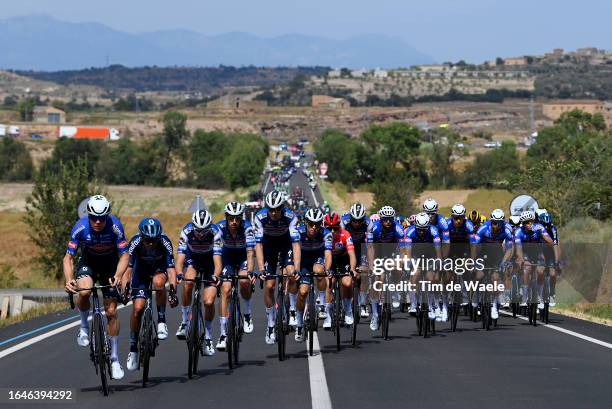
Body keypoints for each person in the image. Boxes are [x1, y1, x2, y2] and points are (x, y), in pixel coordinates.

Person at [64, 195, 129, 380]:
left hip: (109, 264)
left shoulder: (115, 226)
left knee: (111, 312)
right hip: (88, 262)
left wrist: (118, 275)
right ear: (88, 215)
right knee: (84, 291)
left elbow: (124, 256)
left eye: (102, 218)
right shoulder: (80, 227)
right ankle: (84, 327)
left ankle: (115, 358)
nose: (98, 222)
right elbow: (68, 257)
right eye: (94, 217)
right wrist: (69, 279)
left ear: (108, 215)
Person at [123, 218, 178, 371]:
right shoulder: (134, 242)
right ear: (142, 237)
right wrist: (125, 289)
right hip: (140, 274)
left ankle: (161, 321)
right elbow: (127, 270)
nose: (151, 244)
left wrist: (173, 291)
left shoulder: (165, 242)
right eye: (148, 240)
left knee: (159, 283)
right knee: (138, 309)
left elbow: (172, 270)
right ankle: (133, 349)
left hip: (158, 271)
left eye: (154, 240)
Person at [254, 190, 301, 345]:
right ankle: (271, 324)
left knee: (291, 273)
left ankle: (293, 309)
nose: (274, 213)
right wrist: (261, 269)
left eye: (277, 209)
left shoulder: (290, 216)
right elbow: (258, 245)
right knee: (270, 285)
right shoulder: (260, 217)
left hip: (285, 245)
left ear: (282, 207)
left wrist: (297, 268)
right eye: (271, 209)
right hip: (268, 249)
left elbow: (295, 244)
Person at [175, 209, 223, 356]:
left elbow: (218, 262)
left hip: (210, 262)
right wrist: (179, 274)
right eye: (198, 231)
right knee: (188, 282)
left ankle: (208, 337)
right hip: (193, 259)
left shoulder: (216, 233)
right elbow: (180, 259)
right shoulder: (187, 231)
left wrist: (215, 276)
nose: (200, 235)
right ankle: (184, 321)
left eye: (204, 231)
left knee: (209, 302)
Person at [216, 202, 256, 351]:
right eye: (231, 218)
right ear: (226, 217)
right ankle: (223, 334)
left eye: (237, 218)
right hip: (227, 257)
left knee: (244, 281)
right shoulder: (219, 228)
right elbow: (216, 252)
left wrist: (251, 271)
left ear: (241, 218)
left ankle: (247, 314)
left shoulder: (247, 228)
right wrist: (217, 273)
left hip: (243, 256)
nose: (234, 222)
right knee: (226, 289)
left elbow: (251, 252)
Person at [294, 208, 332, 341]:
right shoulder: (299, 232)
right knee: (303, 292)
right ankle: (299, 323)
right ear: (306, 222)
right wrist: (296, 270)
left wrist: (327, 269)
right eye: (311, 224)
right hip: (303, 261)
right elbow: (295, 252)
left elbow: (327, 254)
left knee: (319, 271)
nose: (314, 227)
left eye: (317, 224)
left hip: (317, 258)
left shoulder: (326, 233)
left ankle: (321, 303)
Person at [367, 206, 405, 330]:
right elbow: (370, 248)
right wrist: (372, 265)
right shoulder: (374, 227)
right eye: (385, 219)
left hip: (392, 252)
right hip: (377, 253)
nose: (388, 222)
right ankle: (375, 315)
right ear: (381, 219)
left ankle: (394, 291)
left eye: (390, 219)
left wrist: (401, 262)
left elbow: (403, 249)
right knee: (378, 280)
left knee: (399, 269)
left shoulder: (398, 228)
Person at [473, 209, 514, 320]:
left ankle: (495, 305)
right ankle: (476, 297)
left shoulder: (507, 230)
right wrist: (474, 260)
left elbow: (510, 250)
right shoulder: (483, 229)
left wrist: (503, 263)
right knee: (479, 276)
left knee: (496, 278)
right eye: (493, 222)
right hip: (483, 252)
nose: (495, 225)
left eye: (497, 223)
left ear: (502, 223)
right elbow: (475, 247)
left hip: (497, 253)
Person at [402, 213, 442, 319]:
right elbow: (408, 251)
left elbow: (438, 249)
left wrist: (439, 260)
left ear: (428, 227)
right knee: (415, 275)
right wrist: (408, 263)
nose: (421, 232)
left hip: (430, 254)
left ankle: (430, 304)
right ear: (416, 226)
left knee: (430, 279)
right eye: (419, 229)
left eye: (424, 229)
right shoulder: (410, 231)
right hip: (416, 254)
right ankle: (414, 304)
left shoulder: (433, 231)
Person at [514, 210, 555, 309]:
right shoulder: (518, 232)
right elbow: (518, 250)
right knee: (526, 270)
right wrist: (521, 259)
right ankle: (524, 296)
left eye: (530, 222)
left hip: (538, 253)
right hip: (525, 253)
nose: (528, 224)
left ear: (533, 221)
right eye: (525, 222)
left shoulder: (539, 228)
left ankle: (540, 297)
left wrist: (542, 235)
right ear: (522, 224)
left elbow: (551, 242)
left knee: (540, 271)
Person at [325, 212, 358, 328]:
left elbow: (352, 254)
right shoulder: (323, 235)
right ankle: (328, 316)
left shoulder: (345, 234)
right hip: (329, 261)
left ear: (339, 226)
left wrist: (353, 268)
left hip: (343, 260)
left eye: (335, 228)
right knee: (329, 283)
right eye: (329, 228)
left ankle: (348, 310)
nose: (332, 231)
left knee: (347, 282)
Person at [341, 203, 373, 318]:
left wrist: (371, 265)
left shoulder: (369, 223)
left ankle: (363, 303)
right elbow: (340, 241)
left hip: (361, 248)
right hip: (346, 249)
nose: (357, 223)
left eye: (360, 221)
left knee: (363, 274)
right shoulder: (344, 222)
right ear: (351, 218)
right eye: (354, 220)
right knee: (345, 277)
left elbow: (370, 246)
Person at [537, 211, 560, 306]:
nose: (546, 227)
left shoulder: (553, 229)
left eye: (548, 225)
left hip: (550, 252)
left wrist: (556, 260)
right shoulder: (537, 228)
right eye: (544, 225)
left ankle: (552, 294)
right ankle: (538, 294)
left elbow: (555, 245)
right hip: (539, 251)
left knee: (553, 273)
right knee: (540, 272)